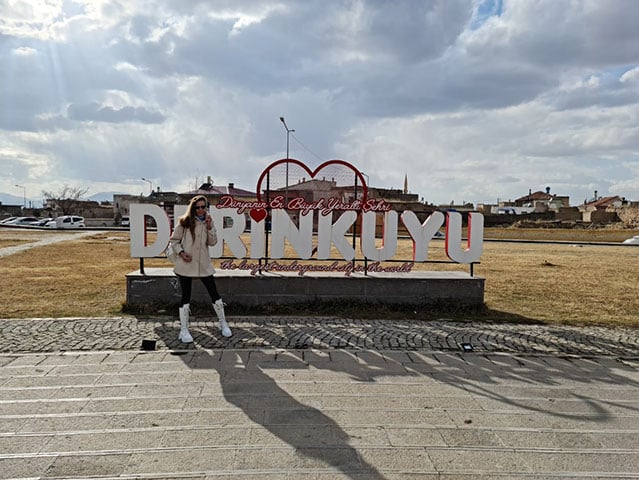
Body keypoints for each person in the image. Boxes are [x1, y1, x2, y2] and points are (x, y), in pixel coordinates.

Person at [169, 195, 231, 342]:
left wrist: (210, 228)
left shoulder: (209, 222)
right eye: (198, 207)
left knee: (214, 293)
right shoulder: (184, 222)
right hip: (186, 264)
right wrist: (182, 253)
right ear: (193, 208)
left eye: (204, 207)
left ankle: (223, 323)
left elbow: (213, 242)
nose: (201, 210)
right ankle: (183, 330)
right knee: (186, 295)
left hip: (203, 264)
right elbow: (174, 241)